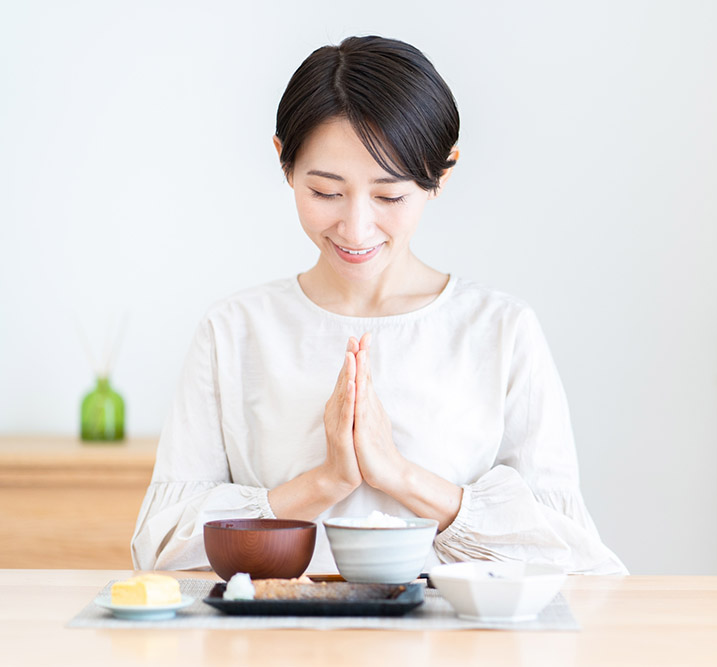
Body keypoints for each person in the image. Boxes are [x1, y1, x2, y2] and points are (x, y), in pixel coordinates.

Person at [131, 35, 626, 576]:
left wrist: (398, 475)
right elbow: (159, 548)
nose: (356, 227)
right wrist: (324, 483)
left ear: (442, 174)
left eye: (389, 196)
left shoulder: (500, 330)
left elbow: (574, 559)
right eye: (325, 192)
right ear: (285, 164)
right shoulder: (235, 330)